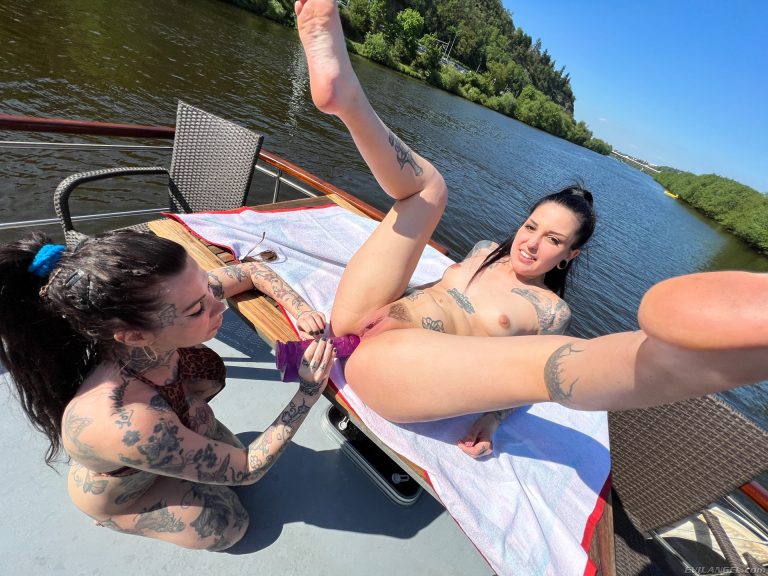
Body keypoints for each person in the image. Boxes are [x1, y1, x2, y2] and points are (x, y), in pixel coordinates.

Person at [293, 0, 768, 450]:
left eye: (554, 239)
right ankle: (346, 96)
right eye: (531, 226)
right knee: (431, 190)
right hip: (356, 320)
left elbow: (507, 376)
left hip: (393, 369)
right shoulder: (484, 251)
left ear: (570, 255)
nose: (531, 243)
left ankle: (665, 362)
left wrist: (493, 419)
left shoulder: (550, 310)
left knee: (548, 363)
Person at [0, 229, 335, 550]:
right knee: (227, 525)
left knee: (221, 449)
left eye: (206, 288)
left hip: (160, 430)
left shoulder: (169, 302)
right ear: (134, 336)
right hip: (125, 491)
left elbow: (250, 271)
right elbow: (246, 468)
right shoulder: (126, 420)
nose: (217, 305)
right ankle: (118, 519)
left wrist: (303, 311)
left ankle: (174, 470)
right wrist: (308, 392)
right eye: (197, 309)